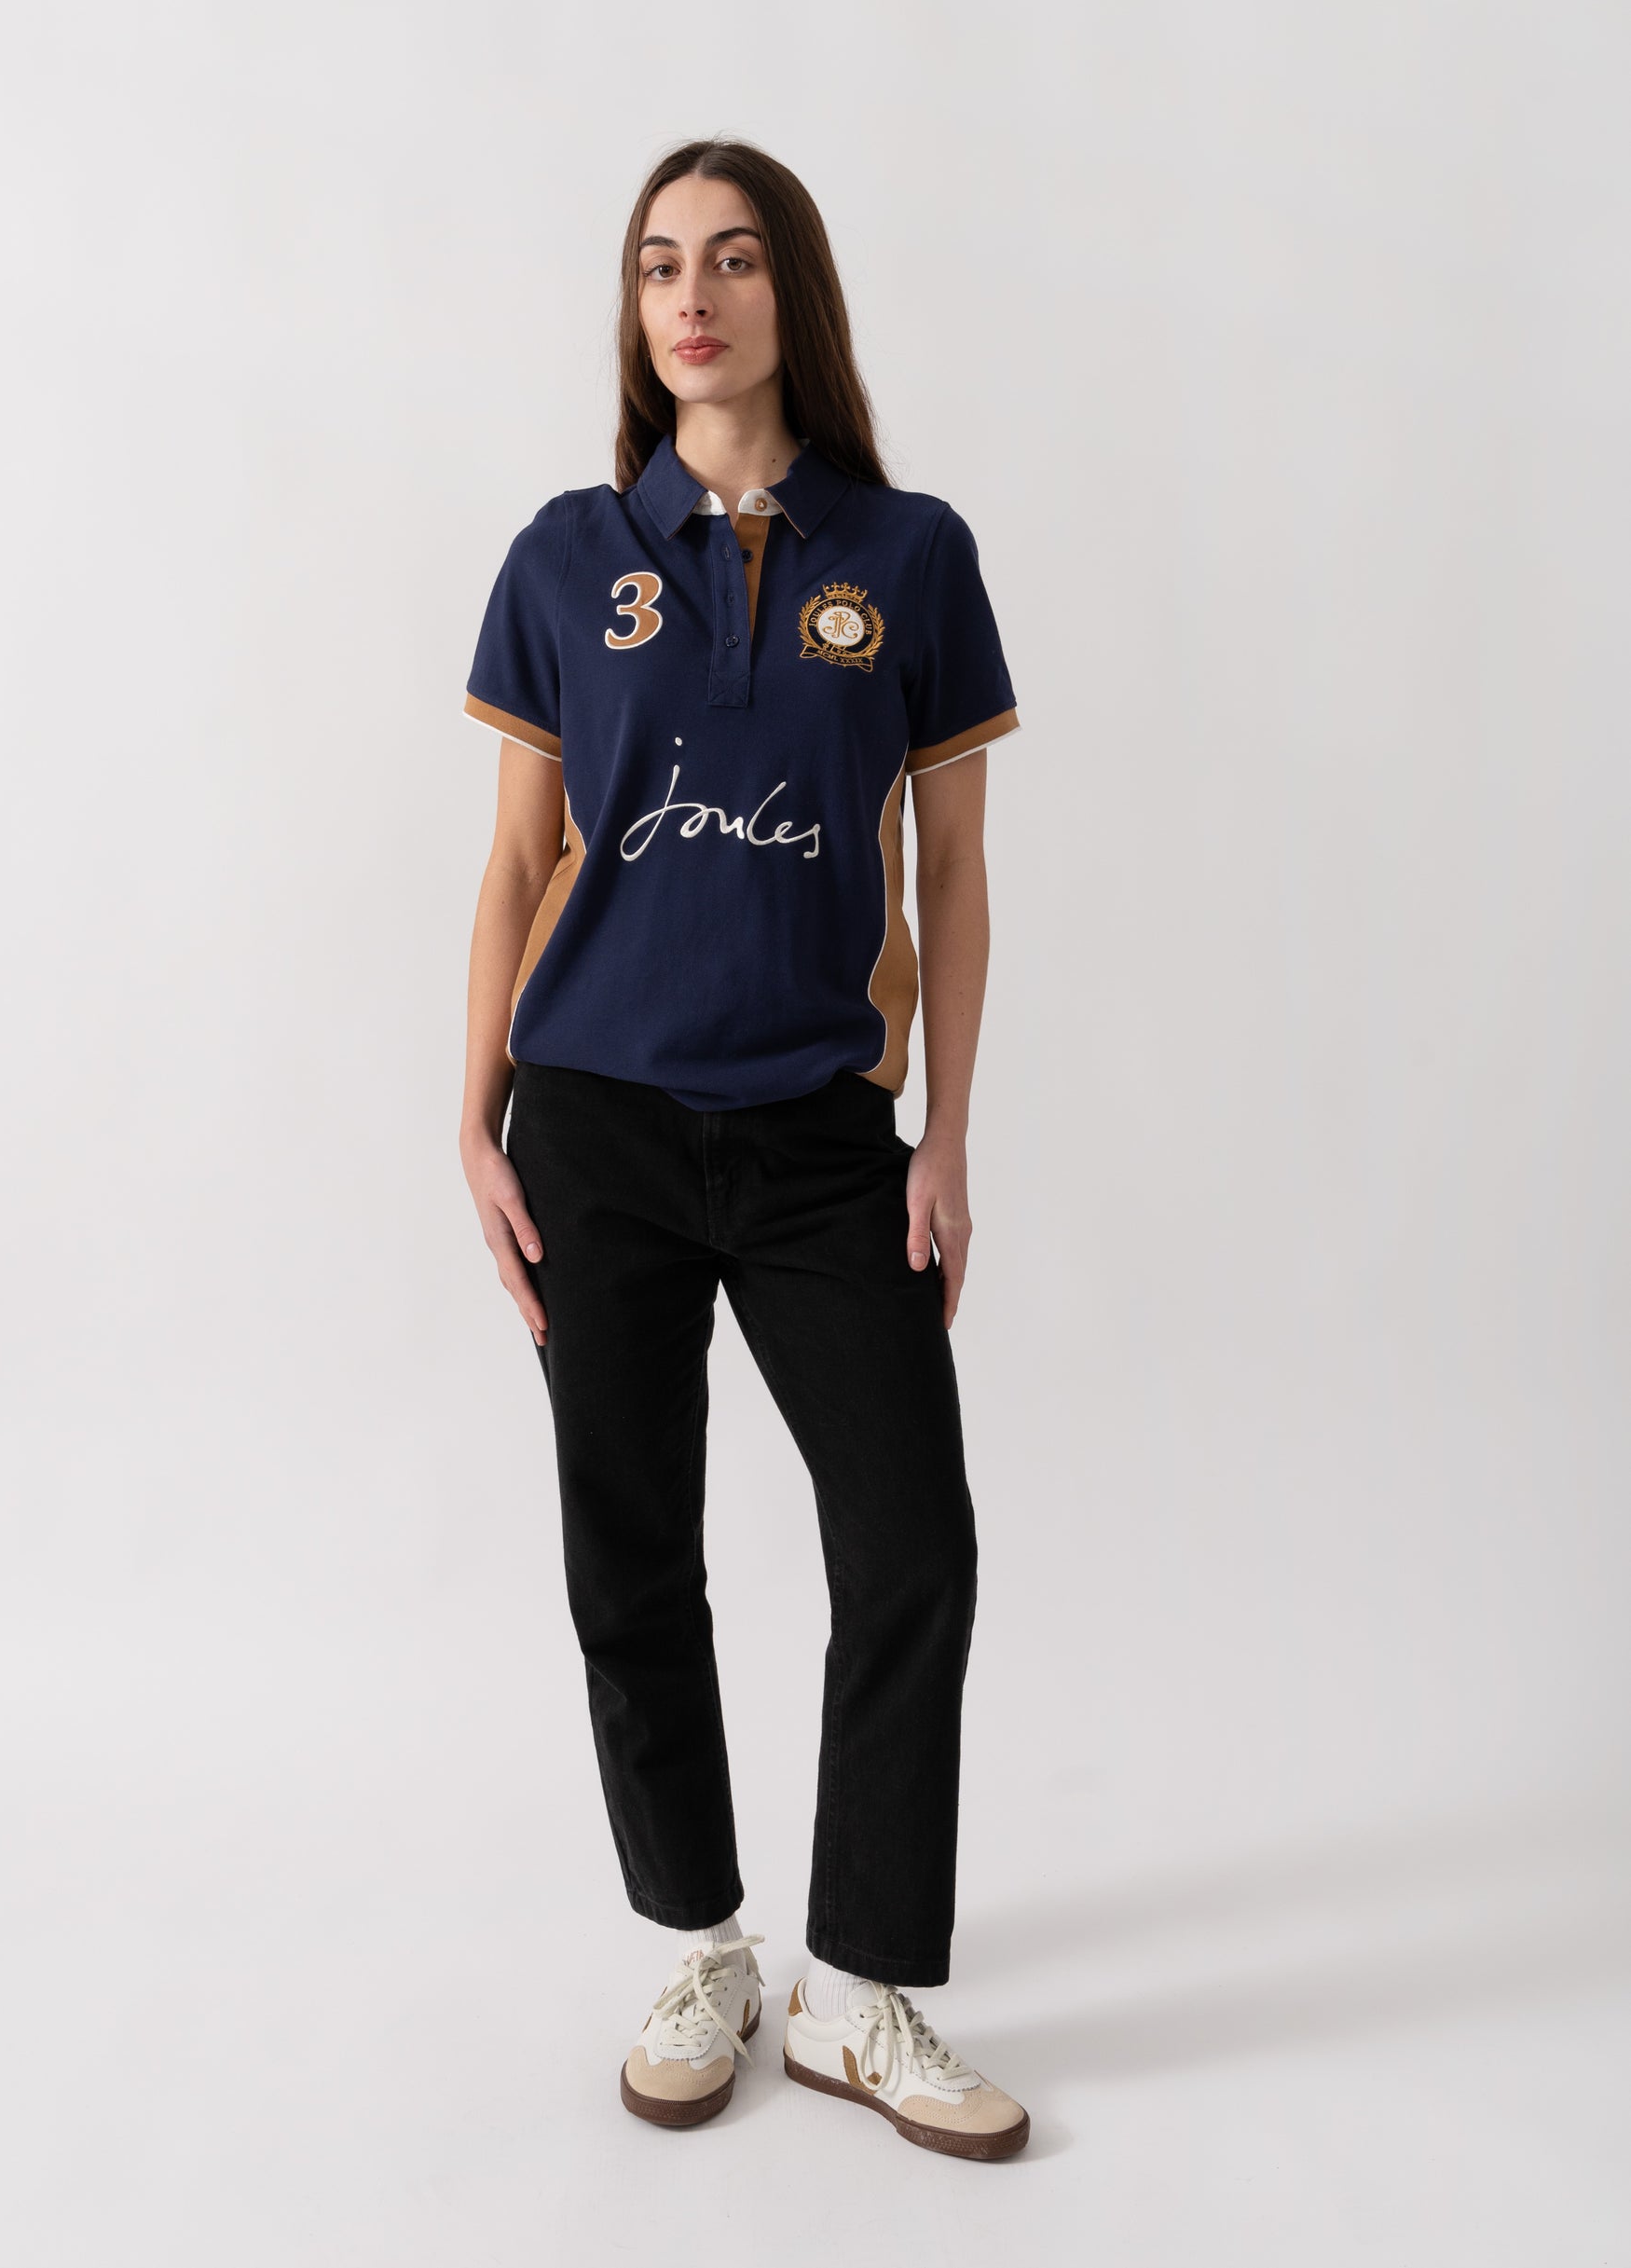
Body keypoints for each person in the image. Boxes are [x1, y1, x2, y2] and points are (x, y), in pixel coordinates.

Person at [458, 136, 1030, 2164]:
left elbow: (951, 873)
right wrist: (471, 1119)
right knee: (632, 1548)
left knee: (912, 1543)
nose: (689, 297)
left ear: (795, 292)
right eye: (655, 265)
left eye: (729, 259)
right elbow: (515, 860)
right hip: (594, 1125)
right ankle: (700, 1941)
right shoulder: (563, 557)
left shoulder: (912, 553)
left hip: (820, 1137)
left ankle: (857, 1985)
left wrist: (945, 1135)